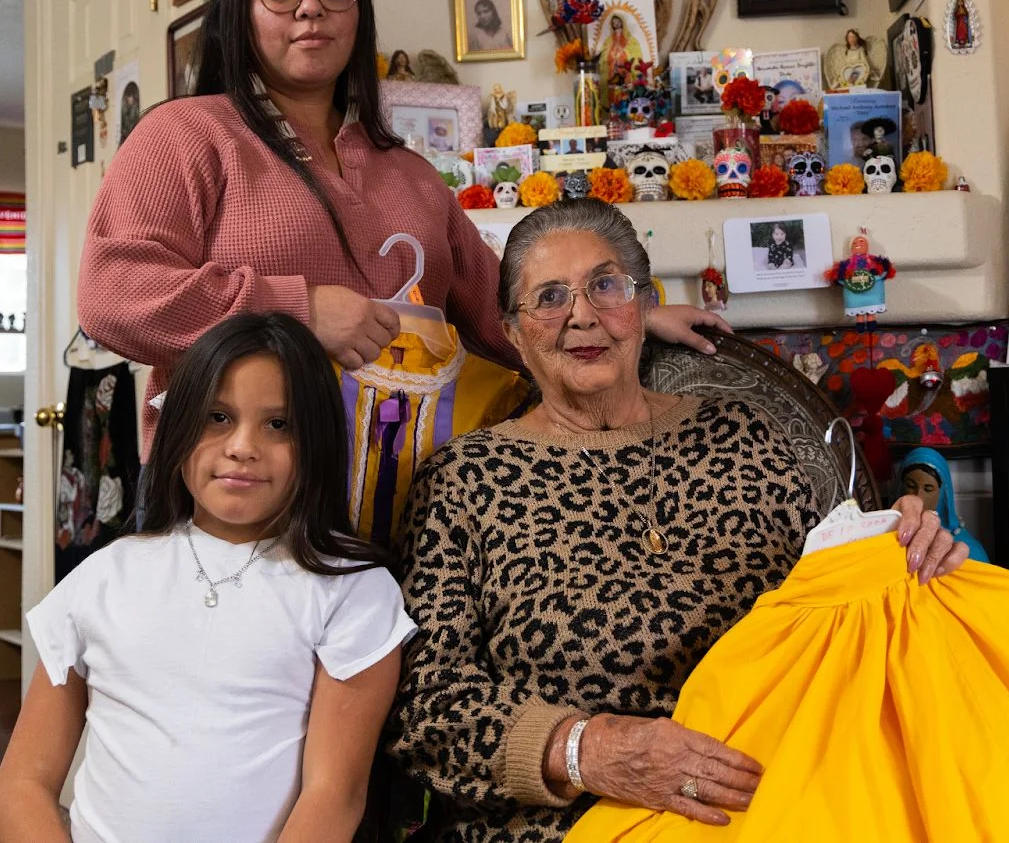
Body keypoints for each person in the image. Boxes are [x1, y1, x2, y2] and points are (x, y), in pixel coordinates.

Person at [387, 199, 968, 842]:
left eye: (605, 285)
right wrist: (586, 750)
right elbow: (426, 705)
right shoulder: (465, 481)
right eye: (549, 297)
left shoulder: (744, 435)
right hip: (565, 823)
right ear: (515, 334)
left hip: (773, 805)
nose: (582, 314)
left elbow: (836, 600)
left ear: (642, 304)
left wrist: (900, 547)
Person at [77, 0, 723, 458]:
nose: (310, 7)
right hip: (242, 514)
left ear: (357, 8)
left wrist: (621, 316)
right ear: (239, 10)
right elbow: (113, 296)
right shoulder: (183, 137)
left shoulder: (409, 173)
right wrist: (298, 311)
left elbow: (499, 312)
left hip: (406, 514)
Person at [0, 313, 415, 843]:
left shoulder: (352, 589)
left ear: (318, 442)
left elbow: (334, 794)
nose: (242, 446)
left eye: (279, 424)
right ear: (179, 426)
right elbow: (23, 782)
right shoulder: (103, 573)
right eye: (217, 417)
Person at [898, 446, 989, 563]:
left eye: (928, 489)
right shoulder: (885, 537)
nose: (919, 497)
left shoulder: (971, 551)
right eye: (910, 486)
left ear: (942, 493)